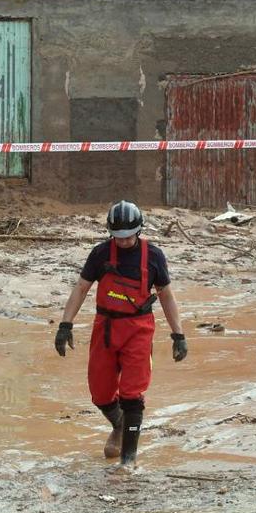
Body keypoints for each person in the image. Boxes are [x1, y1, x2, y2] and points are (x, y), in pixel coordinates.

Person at [55, 200, 187, 467]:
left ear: (139, 230)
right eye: (118, 237)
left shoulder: (154, 257)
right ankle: (119, 424)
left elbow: (167, 296)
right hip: (105, 328)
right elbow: (81, 288)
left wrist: (178, 335)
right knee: (100, 393)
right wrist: (65, 325)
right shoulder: (100, 254)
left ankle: (128, 463)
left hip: (138, 330)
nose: (123, 242)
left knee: (131, 395)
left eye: (128, 237)